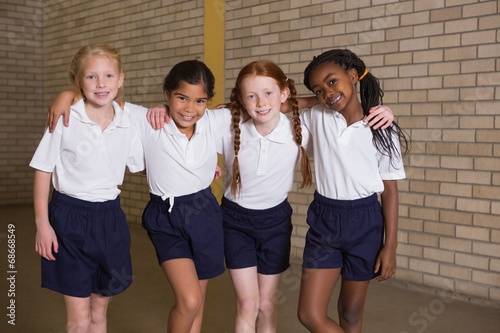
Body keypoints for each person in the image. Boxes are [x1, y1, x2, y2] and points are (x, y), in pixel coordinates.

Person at [146, 60, 395, 333]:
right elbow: (188, 117)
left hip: (275, 224)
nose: (260, 102)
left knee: (266, 304)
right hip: (235, 222)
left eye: (268, 93)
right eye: (251, 96)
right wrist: (163, 110)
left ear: (285, 94)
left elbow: (336, 114)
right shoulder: (227, 124)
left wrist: (379, 111)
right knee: (248, 304)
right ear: (241, 99)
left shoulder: (298, 130)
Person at [30, 43, 145, 333]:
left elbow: (157, 146)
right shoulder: (66, 117)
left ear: (121, 79)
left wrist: (207, 166)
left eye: (108, 76)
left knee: (98, 315)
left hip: (110, 220)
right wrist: (43, 225)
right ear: (79, 82)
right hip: (69, 219)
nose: (101, 83)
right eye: (91, 77)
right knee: (79, 320)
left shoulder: (128, 121)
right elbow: (44, 170)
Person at [296, 49, 409, 333]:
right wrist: (316, 100)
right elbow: (281, 105)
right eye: (318, 90)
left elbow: (390, 191)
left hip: (366, 223)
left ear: (353, 75)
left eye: (332, 82)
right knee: (309, 314)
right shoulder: (317, 117)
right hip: (325, 222)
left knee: (350, 312)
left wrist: (390, 246)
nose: (327, 93)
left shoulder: (382, 128)